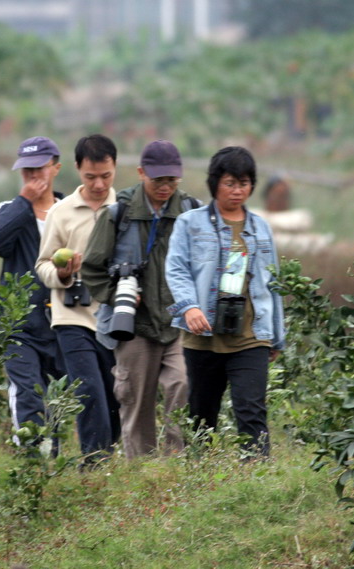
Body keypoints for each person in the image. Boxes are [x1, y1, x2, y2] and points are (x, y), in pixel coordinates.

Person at [165, 146, 286, 457]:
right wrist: (189, 307)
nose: (238, 191)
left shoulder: (260, 228)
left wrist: (276, 336)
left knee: (251, 410)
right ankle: (201, 481)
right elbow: (176, 269)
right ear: (215, 182)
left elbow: (273, 283)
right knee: (202, 416)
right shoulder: (190, 224)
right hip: (202, 336)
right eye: (230, 183)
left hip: (251, 335)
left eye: (244, 183)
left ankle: (256, 481)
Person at [82, 140, 199, 459]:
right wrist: (116, 295)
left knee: (182, 384)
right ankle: (142, 473)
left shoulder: (191, 212)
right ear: (141, 173)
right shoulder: (118, 214)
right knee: (136, 401)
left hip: (178, 322)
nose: (165, 186)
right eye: (158, 179)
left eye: (172, 180)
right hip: (133, 326)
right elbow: (91, 269)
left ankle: (176, 464)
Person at [35, 134, 122, 462]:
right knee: (88, 391)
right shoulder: (61, 212)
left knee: (115, 397)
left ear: (115, 168)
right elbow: (42, 265)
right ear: (77, 170)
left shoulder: (125, 209)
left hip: (114, 318)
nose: (99, 184)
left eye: (106, 176)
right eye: (90, 177)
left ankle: (108, 457)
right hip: (72, 316)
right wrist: (62, 273)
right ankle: (93, 465)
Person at [0, 135, 67, 445]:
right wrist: (24, 202)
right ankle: (32, 461)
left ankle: (60, 463)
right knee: (28, 394)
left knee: (69, 399)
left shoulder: (72, 210)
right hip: (20, 327)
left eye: (39, 169)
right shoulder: (10, 210)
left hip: (66, 321)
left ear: (55, 168)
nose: (33, 176)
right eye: (26, 170)